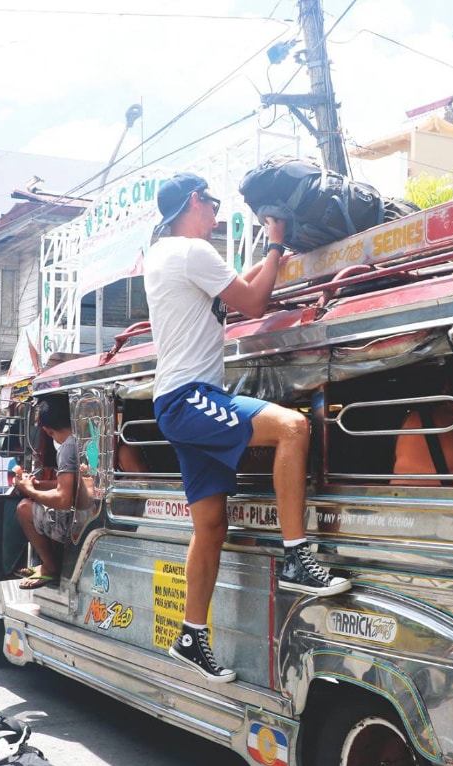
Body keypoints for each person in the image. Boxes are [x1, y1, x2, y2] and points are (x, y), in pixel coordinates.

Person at [145, 172, 350, 683]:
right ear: (194, 202)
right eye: (212, 204)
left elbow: (241, 285)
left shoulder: (167, 255)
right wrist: (278, 243)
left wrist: (275, 253)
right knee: (292, 429)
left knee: (210, 528)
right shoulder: (191, 252)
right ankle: (299, 555)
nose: (216, 214)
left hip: (179, 399)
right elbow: (254, 303)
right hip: (192, 398)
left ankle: (192, 636)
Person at [13, 400, 80, 590]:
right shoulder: (82, 439)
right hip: (86, 509)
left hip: (76, 517)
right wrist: (38, 484)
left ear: (48, 430)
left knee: (24, 509)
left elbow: (63, 499)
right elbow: (69, 484)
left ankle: (50, 567)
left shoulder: (67, 448)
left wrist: (29, 491)